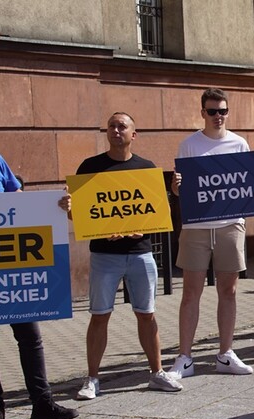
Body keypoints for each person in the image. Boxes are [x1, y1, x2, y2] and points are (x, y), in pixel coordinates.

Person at [0, 101, 79, 419]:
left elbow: (20, 202)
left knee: (30, 336)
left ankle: (42, 404)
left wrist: (56, 207)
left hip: (12, 266)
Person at [74, 112, 183, 400]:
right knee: (100, 316)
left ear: (133, 134)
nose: (115, 130)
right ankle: (92, 379)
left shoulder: (146, 168)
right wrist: (70, 207)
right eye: (111, 126)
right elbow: (80, 212)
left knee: (147, 314)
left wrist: (143, 228)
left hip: (140, 253)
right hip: (104, 254)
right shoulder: (90, 167)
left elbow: (158, 212)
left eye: (122, 126)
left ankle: (156, 373)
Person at [168, 88, 253, 378]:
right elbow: (181, 189)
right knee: (190, 293)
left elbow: (247, 184)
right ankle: (184, 357)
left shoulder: (239, 144)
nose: (219, 116)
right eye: (213, 111)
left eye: (223, 111)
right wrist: (176, 188)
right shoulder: (189, 144)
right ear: (203, 112)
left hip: (230, 224)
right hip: (197, 226)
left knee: (229, 291)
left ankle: (225, 354)